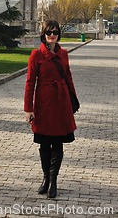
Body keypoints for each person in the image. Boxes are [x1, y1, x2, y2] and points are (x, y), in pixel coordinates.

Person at [24, 20, 78, 199]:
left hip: (61, 102)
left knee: (58, 143)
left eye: (54, 32)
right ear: (44, 34)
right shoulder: (36, 55)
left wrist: (73, 99)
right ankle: (46, 178)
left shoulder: (63, 53)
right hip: (44, 102)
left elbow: (68, 77)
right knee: (44, 143)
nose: (52, 35)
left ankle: (54, 180)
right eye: (48, 32)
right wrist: (28, 108)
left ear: (58, 34)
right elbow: (30, 83)